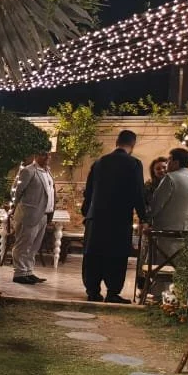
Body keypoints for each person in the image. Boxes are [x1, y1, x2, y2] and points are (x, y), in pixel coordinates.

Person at [81, 130, 149, 303]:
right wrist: (144, 217)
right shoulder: (134, 164)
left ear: (117, 142)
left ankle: (92, 291)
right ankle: (112, 292)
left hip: (95, 218)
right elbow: (138, 193)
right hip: (119, 219)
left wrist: (86, 213)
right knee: (116, 255)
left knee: (93, 254)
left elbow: (88, 191)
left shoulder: (99, 162)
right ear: (132, 145)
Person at [10, 151, 54, 285]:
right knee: (23, 244)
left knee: (34, 246)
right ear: (35, 155)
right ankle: (19, 273)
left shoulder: (47, 171)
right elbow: (16, 191)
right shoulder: (28, 171)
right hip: (28, 214)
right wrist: (15, 208)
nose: (47, 157)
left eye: (48, 155)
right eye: (43, 154)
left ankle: (28, 271)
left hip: (43, 214)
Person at [148, 147, 188, 263]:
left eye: (169, 160)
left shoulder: (170, 178)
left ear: (176, 162)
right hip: (187, 237)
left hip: (166, 236)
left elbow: (155, 205)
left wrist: (146, 218)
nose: (167, 164)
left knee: (162, 272)